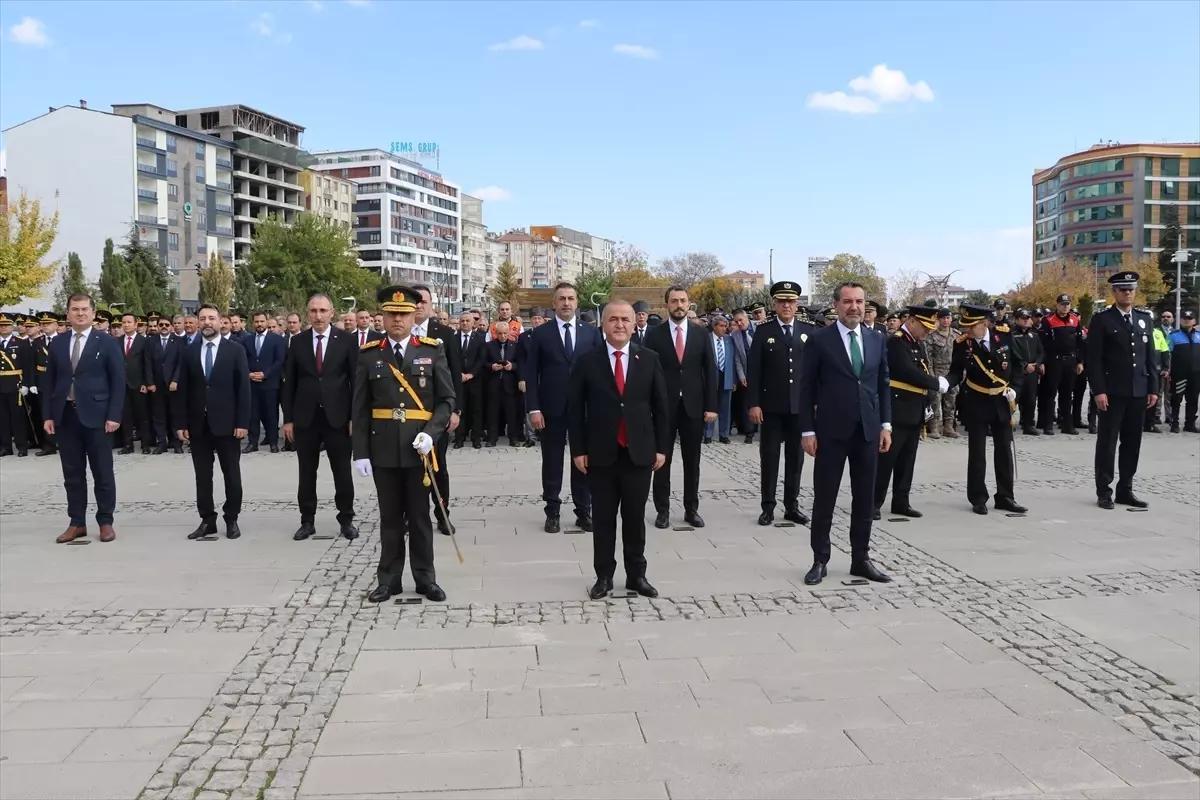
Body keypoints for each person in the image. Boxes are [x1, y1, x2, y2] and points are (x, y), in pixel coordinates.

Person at [352, 285, 453, 603]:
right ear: (382, 317)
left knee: (420, 518)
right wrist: (360, 452)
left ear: (414, 317)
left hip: (418, 448)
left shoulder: (432, 350)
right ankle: (389, 580)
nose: (397, 319)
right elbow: (360, 407)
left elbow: (446, 400)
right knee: (390, 518)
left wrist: (432, 433)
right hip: (382, 448)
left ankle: (425, 578)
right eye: (392, 314)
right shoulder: (369, 354)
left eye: (404, 314)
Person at [568, 299, 669, 600]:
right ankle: (604, 576)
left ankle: (637, 575)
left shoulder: (649, 358)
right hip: (600, 453)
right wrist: (578, 450)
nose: (620, 324)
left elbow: (661, 408)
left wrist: (661, 448)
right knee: (603, 519)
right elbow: (575, 409)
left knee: (635, 518)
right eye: (614, 319)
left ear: (634, 324)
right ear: (603, 324)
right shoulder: (587, 360)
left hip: (639, 452)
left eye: (625, 319)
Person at [798, 281, 892, 585]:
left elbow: (883, 384)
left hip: (867, 431)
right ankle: (820, 559)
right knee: (825, 498)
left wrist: (886, 425)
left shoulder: (877, 339)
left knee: (865, 499)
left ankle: (860, 558)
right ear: (836, 305)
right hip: (830, 432)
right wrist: (807, 430)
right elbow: (805, 388)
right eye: (848, 302)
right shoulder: (819, 340)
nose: (854, 307)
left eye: (859, 302)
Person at [523, 281, 603, 532]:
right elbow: (531, 373)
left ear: (577, 302)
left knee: (583, 460)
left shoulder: (591, 333)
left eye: (570, 298)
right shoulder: (541, 334)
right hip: (551, 409)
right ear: (554, 303)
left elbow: (600, 371)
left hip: (584, 409)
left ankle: (584, 510)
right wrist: (534, 408)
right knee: (552, 461)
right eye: (562, 299)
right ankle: (553, 511)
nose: (566, 303)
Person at [43, 295, 124, 542]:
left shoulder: (106, 341)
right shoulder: (58, 342)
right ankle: (76, 522)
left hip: (97, 417)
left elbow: (118, 381)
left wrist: (114, 415)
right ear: (67, 313)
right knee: (72, 473)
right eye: (75, 309)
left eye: (84, 309)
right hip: (66, 416)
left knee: (102, 472)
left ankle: (105, 521)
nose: (80, 313)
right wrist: (48, 415)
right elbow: (50, 381)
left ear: (93, 313)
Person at [281, 293, 359, 541]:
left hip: (338, 417)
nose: (318, 315)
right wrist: (288, 419)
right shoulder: (298, 342)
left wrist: (354, 417)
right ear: (308, 314)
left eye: (323, 311)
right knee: (306, 473)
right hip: (306, 418)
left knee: (342, 472)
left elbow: (356, 381)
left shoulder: (346, 341)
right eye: (313, 311)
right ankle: (307, 521)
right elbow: (289, 383)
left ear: (332, 313)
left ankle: (346, 519)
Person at [174, 304, 252, 540]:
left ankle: (232, 518)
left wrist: (242, 422)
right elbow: (183, 390)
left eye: (211, 318)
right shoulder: (189, 351)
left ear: (220, 321)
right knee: (202, 476)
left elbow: (243, 389)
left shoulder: (235, 350)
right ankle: (207, 520)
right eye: (203, 318)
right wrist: (181, 423)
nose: (207, 322)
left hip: (228, 424)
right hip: (198, 425)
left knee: (232, 475)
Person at [643, 286, 717, 529]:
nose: (679, 305)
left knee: (692, 461)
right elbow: (647, 373)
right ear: (667, 305)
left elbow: (710, 370)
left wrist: (711, 406)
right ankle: (662, 510)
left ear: (689, 304)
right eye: (674, 301)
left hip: (693, 407)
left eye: (683, 301)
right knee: (661, 460)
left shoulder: (701, 334)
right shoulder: (654, 335)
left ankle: (691, 509)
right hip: (663, 407)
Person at [944, 304, 1026, 516]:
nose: (968, 330)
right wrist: (943, 383)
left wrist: (1015, 390)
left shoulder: (1004, 336)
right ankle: (978, 497)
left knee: (1004, 450)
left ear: (985, 323)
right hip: (977, 400)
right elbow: (956, 372)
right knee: (977, 452)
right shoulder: (962, 343)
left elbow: (1018, 365)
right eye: (966, 326)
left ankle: (1006, 497)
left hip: (1002, 400)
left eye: (972, 326)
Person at [1087, 272, 1160, 509]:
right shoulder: (1102, 320)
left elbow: (1150, 357)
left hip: (1138, 391)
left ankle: (1125, 489)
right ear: (1114, 292)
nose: (1127, 293)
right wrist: (1098, 390)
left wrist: (1153, 388)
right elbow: (1094, 359)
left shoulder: (1144, 319)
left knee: (1132, 443)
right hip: (1112, 392)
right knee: (1107, 443)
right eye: (1122, 289)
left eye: (1131, 289)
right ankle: (1104, 490)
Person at [746, 281, 811, 526]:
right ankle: (768, 507)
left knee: (796, 459)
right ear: (774, 304)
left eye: (791, 301)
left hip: (798, 408)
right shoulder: (764, 331)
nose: (786, 306)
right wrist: (754, 403)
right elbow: (754, 370)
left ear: (797, 304)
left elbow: (813, 371)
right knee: (770, 458)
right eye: (782, 301)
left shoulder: (808, 330)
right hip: (771, 407)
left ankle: (792, 506)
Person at [874, 306, 948, 519]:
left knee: (907, 460)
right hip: (897, 409)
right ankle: (873, 503)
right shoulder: (896, 341)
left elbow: (922, 368)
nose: (927, 331)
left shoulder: (916, 342)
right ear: (913, 322)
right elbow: (908, 372)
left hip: (914, 408)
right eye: (924, 326)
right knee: (887, 460)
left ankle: (901, 501)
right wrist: (936, 383)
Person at [411, 285, 462, 535]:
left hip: (437, 413)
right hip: (408, 414)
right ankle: (411, 516)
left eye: (424, 301)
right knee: (409, 469)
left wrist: (456, 410)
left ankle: (442, 514)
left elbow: (455, 373)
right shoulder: (399, 332)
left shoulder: (444, 334)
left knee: (438, 466)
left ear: (431, 305)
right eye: (415, 301)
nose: (419, 305)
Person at [1038, 293, 1084, 435]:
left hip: (1070, 361)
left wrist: (1080, 361)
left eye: (1067, 304)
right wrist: (1042, 362)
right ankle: (1048, 425)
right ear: (1057, 305)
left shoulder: (1075, 320)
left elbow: (1079, 343)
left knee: (1067, 394)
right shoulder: (1048, 320)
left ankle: (1067, 425)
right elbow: (1042, 344)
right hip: (1054, 360)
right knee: (1050, 393)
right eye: (1063, 304)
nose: (1065, 307)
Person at [243, 311, 286, 453]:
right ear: (253, 323)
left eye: (262, 321)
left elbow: (279, 360)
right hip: (252, 383)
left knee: (271, 414)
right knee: (253, 415)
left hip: (270, 383)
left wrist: (265, 374)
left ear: (267, 322)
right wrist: (249, 374)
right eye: (256, 321)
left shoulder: (277, 339)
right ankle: (252, 443)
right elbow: (243, 360)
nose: (259, 324)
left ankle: (273, 442)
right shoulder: (247, 340)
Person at [116, 312, 153, 454]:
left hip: (139, 384)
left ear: (136, 324)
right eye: (124, 322)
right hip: (122, 384)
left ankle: (145, 444)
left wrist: (146, 382)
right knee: (126, 416)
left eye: (129, 322)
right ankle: (128, 445)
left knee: (142, 416)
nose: (126, 325)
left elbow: (147, 363)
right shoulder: (117, 341)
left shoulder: (144, 341)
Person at [147, 313, 183, 454]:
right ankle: (161, 443)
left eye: (166, 325)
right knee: (159, 415)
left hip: (173, 385)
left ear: (171, 326)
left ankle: (176, 443)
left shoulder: (179, 341)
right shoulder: (151, 342)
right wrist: (150, 382)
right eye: (161, 324)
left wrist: (175, 380)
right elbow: (147, 363)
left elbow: (180, 363)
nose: (163, 327)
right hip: (157, 385)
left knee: (175, 415)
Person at [484, 320, 523, 446]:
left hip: (510, 385)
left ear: (509, 332)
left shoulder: (515, 345)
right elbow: (483, 362)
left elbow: (520, 363)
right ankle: (492, 438)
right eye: (500, 333)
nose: (502, 336)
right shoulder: (489, 345)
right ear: (495, 333)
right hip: (494, 384)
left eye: (505, 333)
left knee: (512, 413)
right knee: (492, 413)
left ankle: (513, 438)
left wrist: (512, 366)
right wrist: (492, 366)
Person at [453, 311, 486, 449]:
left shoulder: (480, 338)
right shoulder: (453, 338)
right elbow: (451, 358)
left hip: (475, 381)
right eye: (462, 321)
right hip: (459, 380)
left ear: (473, 323)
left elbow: (482, 359)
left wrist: (471, 374)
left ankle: (476, 439)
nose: (465, 323)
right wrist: (458, 374)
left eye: (467, 321)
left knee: (476, 411)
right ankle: (459, 439)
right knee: (460, 409)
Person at [1167, 310, 1200, 432]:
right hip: (1179, 374)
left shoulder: (1199, 335)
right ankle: (1174, 423)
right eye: (1185, 318)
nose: (1187, 321)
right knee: (1176, 399)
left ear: (1194, 321)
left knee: (1193, 400)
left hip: (1196, 374)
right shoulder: (1173, 335)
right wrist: (1168, 370)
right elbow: (1167, 354)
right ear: (1180, 320)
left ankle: (1190, 424)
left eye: (1189, 319)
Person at [705, 315, 734, 444]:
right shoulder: (707, 339)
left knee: (725, 407)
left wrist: (734, 380)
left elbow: (733, 360)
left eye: (725, 326)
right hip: (711, 377)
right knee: (710, 405)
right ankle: (708, 433)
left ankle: (723, 434)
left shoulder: (729, 340)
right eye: (721, 326)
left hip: (726, 376)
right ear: (714, 326)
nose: (724, 329)